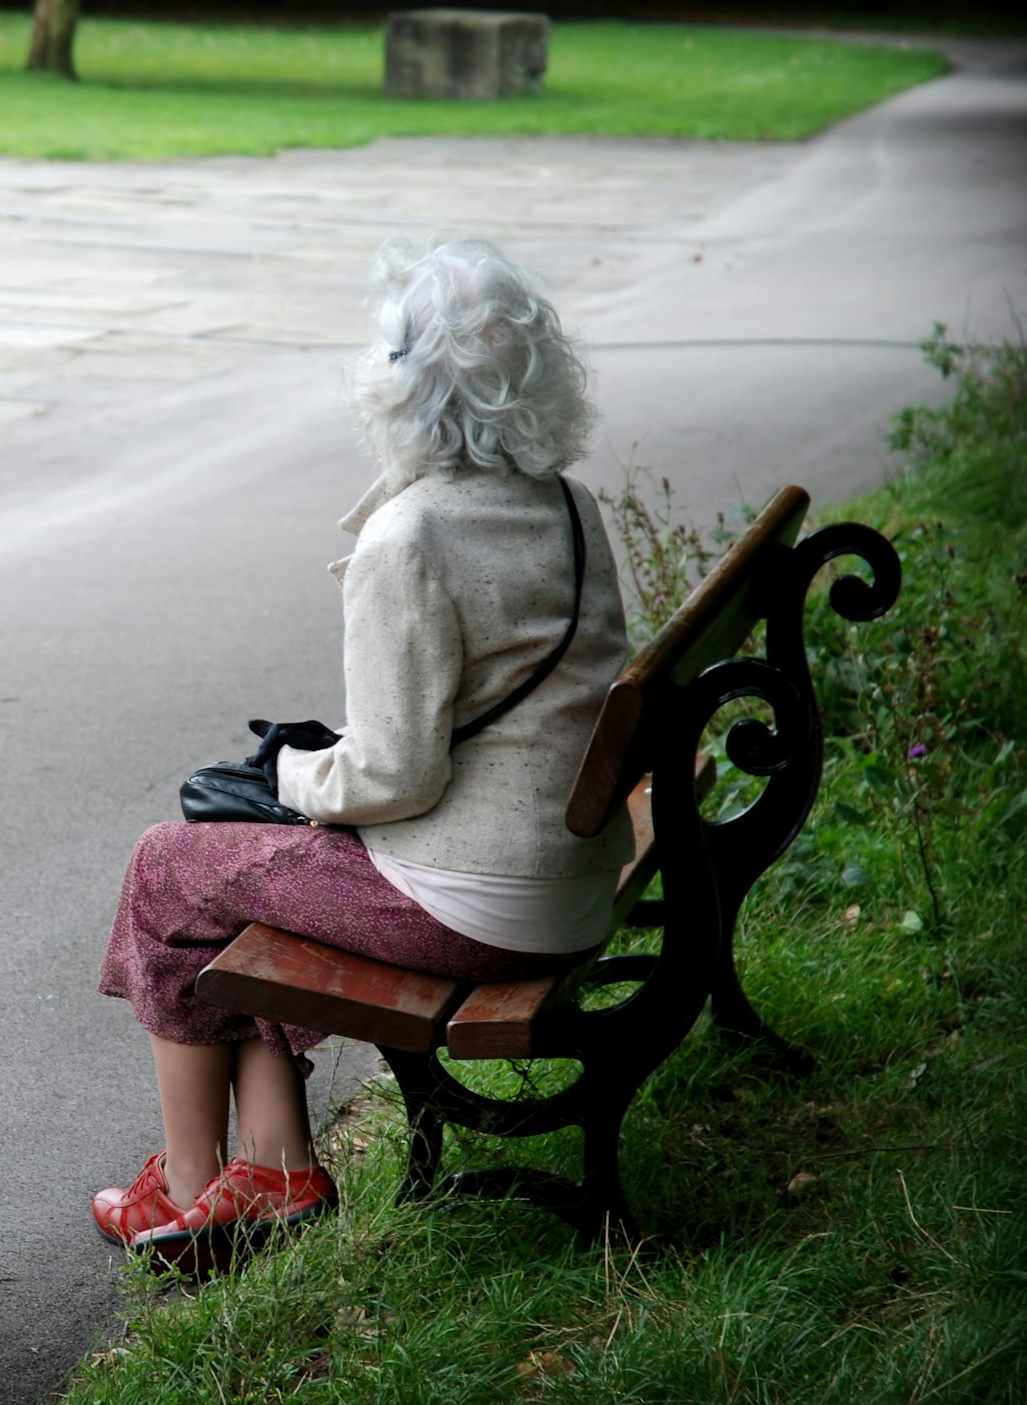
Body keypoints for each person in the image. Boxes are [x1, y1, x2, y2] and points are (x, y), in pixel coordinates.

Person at [91, 237, 636, 1271]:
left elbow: (393, 775)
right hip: (574, 886)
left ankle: (192, 1184)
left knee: (169, 865)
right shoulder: (570, 508)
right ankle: (273, 1167)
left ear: (396, 385)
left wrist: (287, 776)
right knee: (243, 866)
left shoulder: (409, 536)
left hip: (477, 907)